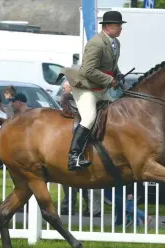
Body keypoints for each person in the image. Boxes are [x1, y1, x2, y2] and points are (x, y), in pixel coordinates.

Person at [61, 10, 126, 171]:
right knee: (89, 118)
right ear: (109, 26)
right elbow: (87, 71)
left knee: (120, 114)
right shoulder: (96, 43)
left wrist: (118, 73)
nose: (121, 29)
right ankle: (74, 156)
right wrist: (110, 80)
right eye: (118, 25)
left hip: (100, 89)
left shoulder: (115, 43)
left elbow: (111, 64)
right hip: (86, 89)